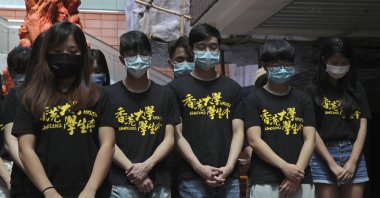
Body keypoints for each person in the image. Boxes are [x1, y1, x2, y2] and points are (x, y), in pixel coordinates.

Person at [11, 21, 116, 197]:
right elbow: (25, 149)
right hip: (40, 191)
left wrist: (91, 189)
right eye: (58, 52)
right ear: (46, 53)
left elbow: (108, 145)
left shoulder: (100, 95)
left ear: (83, 55)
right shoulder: (31, 96)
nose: (65, 56)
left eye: (73, 51)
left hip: (91, 191)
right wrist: (48, 190)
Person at [168, 23, 244, 197]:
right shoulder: (175, 89)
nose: (207, 51)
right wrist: (198, 167)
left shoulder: (233, 88)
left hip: (229, 177)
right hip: (191, 177)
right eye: (201, 47)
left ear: (219, 49)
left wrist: (230, 166)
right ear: (191, 49)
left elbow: (238, 131)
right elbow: (176, 134)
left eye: (213, 47)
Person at [109, 30, 180, 198]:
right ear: (122, 60)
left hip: (159, 183)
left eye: (144, 53)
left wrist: (146, 167)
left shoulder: (165, 94)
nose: (139, 59)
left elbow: (170, 139)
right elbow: (107, 142)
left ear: (150, 57)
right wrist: (134, 172)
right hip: (121, 184)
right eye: (132, 55)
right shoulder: (108, 95)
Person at [245, 39, 316, 198]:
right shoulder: (253, 100)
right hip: (265, 180)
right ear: (265, 67)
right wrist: (285, 167)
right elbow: (254, 141)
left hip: (301, 179)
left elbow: (310, 140)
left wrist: (296, 173)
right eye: (276, 65)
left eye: (287, 64)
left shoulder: (303, 99)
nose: (282, 69)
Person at [306, 37, 370, 198]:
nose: (339, 67)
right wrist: (331, 163)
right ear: (324, 60)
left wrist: (353, 161)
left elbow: (363, 125)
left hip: (352, 151)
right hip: (323, 153)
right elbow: (311, 130)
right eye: (334, 62)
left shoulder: (357, 88)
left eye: (343, 63)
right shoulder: (312, 89)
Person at [2, 32, 45, 197]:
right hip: (22, 174)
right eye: (17, 71)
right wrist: (37, 173)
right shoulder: (14, 96)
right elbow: (9, 141)